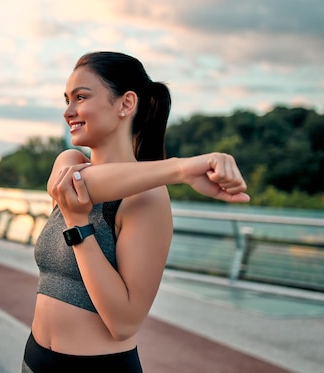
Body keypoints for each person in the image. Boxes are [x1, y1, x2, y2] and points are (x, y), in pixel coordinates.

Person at [21, 51, 250, 372]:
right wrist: (183, 169)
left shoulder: (148, 198)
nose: (68, 111)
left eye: (81, 97)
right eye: (66, 100)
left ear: (126, 104)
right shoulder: (69, 164)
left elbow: (124, 323)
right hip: (34, 359)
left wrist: (79, 227)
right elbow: (80, 183)